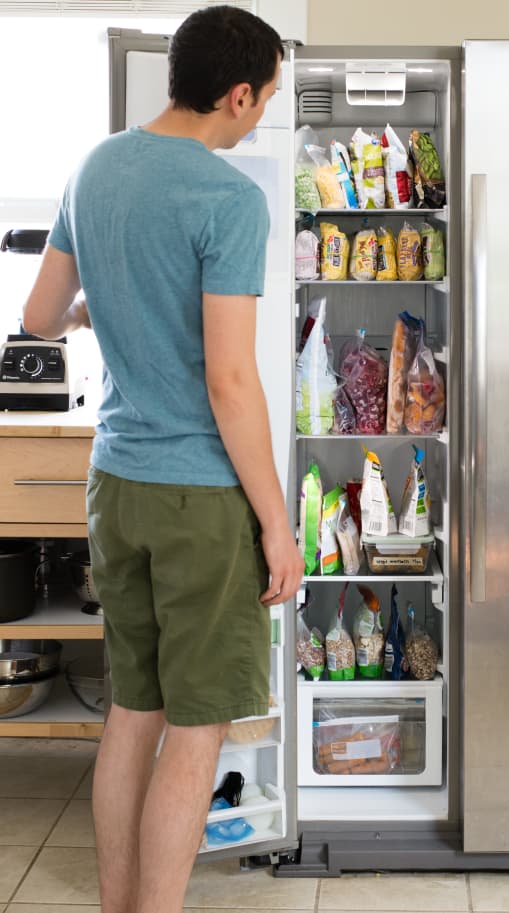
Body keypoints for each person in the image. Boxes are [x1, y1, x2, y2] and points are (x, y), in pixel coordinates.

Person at [22, 6, 303, 913]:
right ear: (238, 93)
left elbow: (36, 319)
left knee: (130, 715)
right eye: (264, 100)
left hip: (117, 485)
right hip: (198, 498)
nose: (260, 115)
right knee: (195, 729)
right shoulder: (227, 199)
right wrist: (275, 522)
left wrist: (87, 315)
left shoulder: (95, 165)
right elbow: (230, 381)